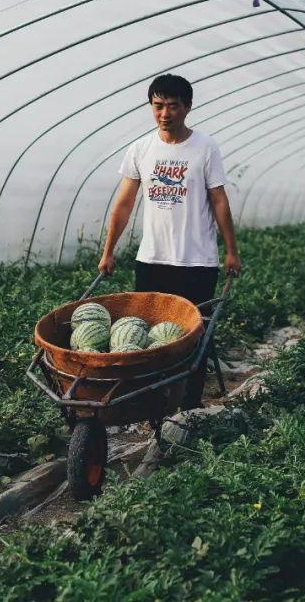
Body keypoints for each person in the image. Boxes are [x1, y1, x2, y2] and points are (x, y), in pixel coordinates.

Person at [98, 73, 241, 407]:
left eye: (172, 106)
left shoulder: (205, 147)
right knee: (147, 335)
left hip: (197, 261)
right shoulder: (141, 149)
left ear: (187, 108)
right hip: (151, 260)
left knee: (193, 337)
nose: (165, 113)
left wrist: (231, 251)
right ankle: (154, 402)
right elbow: (124, 204)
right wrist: (108, 251)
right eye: (158, 105)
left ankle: (188, 406)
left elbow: (219, 200)